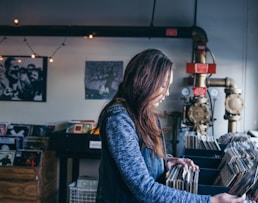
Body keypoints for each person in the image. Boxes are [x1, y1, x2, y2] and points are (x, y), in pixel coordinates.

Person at [96, 49, 245, 203]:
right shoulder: (119, 120)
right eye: (163, 86)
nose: (166, 93)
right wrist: (211, 201)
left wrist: (164, 161)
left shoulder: (144, 112)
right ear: (144, 82)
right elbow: (143, 188)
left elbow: (140, 159)